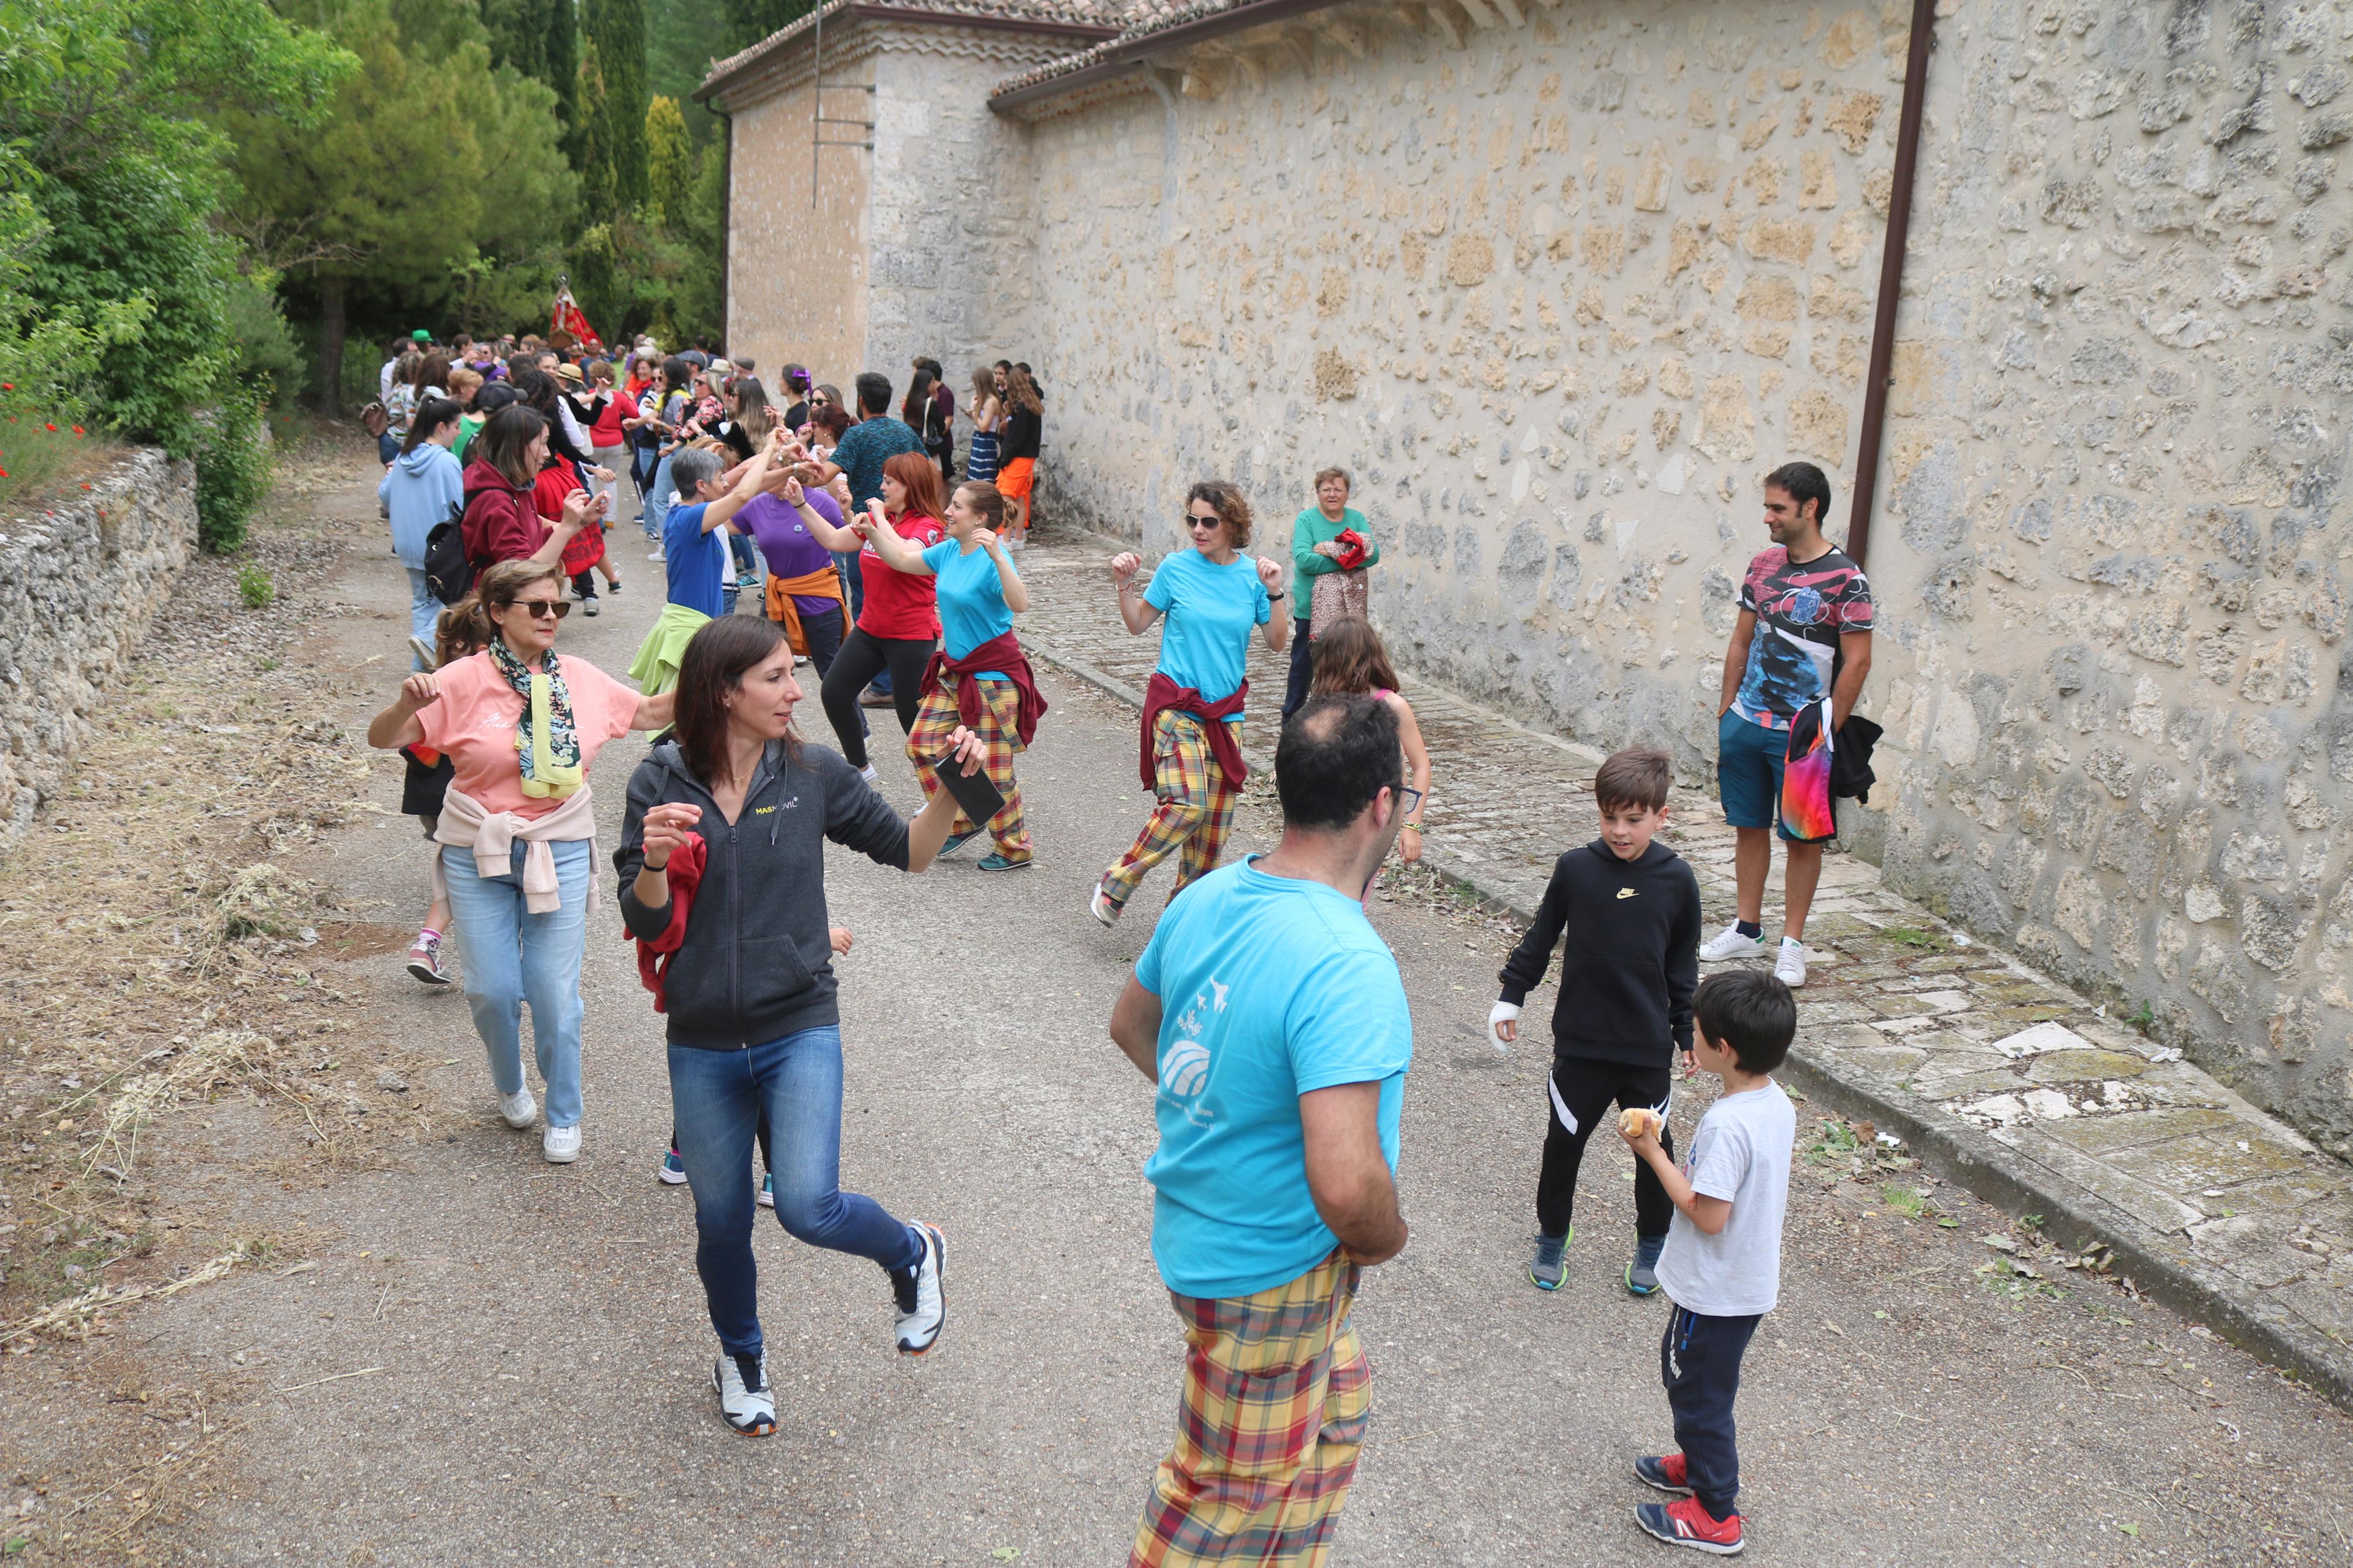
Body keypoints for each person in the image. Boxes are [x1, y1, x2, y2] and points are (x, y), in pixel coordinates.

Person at [616, 615, 995, 1432]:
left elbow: (910, 851)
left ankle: (912, 1250)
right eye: (776, 677)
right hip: (702, 1038)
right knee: (720, 1222)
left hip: (798, 1024)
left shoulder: (813, 771)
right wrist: (651, 863)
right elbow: (643, 921)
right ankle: (741, 1357)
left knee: (806, 1204)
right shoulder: (659, 780)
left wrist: (951, 790)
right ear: (724, 691)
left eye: (794, 673)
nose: (797, 690)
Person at [1107, 694, 1412, 1566]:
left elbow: (1132, 1025)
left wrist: (1226, 1109)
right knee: (1219, 1500)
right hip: (1270, 1271)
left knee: (1337, 1412)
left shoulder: (1206, 895)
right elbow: (1347, 1185)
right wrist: (1383, 1237)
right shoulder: (1346, 963)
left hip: (1209, 1235)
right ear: (1381, 806)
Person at [365, 559, 677, 1162]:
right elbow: (384, 738)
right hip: (476, 847)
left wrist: (716, 668)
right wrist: (404, 704)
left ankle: (564, 1111)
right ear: (497, 612)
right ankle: (508, 1083)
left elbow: (649, 713)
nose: (551, 616)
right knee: (491, 990)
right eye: (537, 606)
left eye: (558, 605)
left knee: (554, 993)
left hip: (558, 845)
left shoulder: (579, 678)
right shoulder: (460, 680)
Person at [1489, 747, 1702, 1296]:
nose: (1619, 830)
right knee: (1562, 1146)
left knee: (1653, 1151)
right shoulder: (1575, 868)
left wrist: (1686, 1032)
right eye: (1609, 817)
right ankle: (1551, 1235)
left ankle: (1653, 1242)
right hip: (1581, 1043)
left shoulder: (1678, 880)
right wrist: (1511, 996)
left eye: (1633, 819)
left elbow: (1682, 965)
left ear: (1661, 816)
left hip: (1645, 1047)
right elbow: (1541, 936)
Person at [1619, 969, 1797, 1556]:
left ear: (1723, 1048)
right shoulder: (1773, 1101)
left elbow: (1707, 1213)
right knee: (1696, 1382)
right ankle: (1697, 1465)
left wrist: (1652, 1152)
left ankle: (1716, 1512)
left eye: (1694, 1031)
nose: (1687, 1036)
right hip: (1741, 1280)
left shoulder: (1727, 1123)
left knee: (1697, 1397)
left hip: (1716, 1288)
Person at [1703, 461, 1874, 989]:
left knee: (1803, 839)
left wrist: (1823, 730)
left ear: (1810, 508)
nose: (1768, 518)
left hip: (1802, 735)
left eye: (1777, 508)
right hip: (1745, 723)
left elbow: (1858, 661)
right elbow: (1741, 640)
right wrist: (1727, 707)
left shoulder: (1847, 579)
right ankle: (1746, 928)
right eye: (1767, 507)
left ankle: (1791, 945)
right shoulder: (1761, 565)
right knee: (1747, 825)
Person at [1095, 481, 1290, 925]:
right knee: (1188, 803)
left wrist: (1275, 590)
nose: (1198, 529)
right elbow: (1137, 624)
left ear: (1232, 524)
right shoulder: (1175, 568)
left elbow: (1277, 642)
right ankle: (1116, 882)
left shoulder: (1252, 577)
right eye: (1192, 520)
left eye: (1209, 522)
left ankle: (1180, 925)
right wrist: (1124, 586)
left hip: (1226, 716)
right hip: (1177, 706)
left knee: (1211, 835)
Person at [858, 478, 1041, 870]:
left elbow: (1020, 603)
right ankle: (960, 820)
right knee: (922, 745)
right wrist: (873, 529)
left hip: (994, 679)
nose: (947, 512)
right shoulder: (949, 550)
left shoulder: (993, 558)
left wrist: (999, 557)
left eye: (957, 506)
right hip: (955, 673)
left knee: (995, 770)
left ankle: (1015, 847)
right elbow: (901, 560)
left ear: (980, 518)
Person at [811, 451, 947, 779]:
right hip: (871, 630)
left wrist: (876, 521)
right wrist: (801, 505)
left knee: (912, 718)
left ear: (910, 486)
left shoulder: (929, 526)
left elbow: (906, 554)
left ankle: (945, 790)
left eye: (889, 481)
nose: (882, 487)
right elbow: (833, 539)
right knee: (835, 692)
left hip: (910, 636)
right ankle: (860, 769)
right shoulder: (883, 518)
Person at [399, 605, 491, 984]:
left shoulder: (432, 683)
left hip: (431, 800)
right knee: (478, 875)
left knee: (464, 871)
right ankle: (433, 946)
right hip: (467, 801)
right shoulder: (481, 687)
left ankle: (428, 946)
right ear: (486, 650)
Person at [1306, 618, 1428, 893]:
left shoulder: (1392, 705)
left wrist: (1412, 825)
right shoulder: (1326, 704)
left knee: (1351, 891)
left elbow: (1421, 766)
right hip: (1329, 816)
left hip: (1374, 819)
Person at [812, 371, 925, 627]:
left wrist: (791, 471)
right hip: (906, 525)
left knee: (863, 597)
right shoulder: (906, 432)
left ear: (861, 401)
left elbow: (823, 476)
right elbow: (928, 472)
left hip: (864, 526)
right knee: (902, 590)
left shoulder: (856, 435)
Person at [1285, 468, 1382, 721]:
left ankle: (1346, 719)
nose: (1332, 494)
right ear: (1318, 493)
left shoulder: (1356, 518)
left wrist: (1330, 550)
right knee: (1304, 667)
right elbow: (1304, 561)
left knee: (1350, 667)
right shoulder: (1307, 520)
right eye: (1326, 489)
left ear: (1347, 493)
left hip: (1349, 613)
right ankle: (1292, 719)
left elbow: (1372, 555)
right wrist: (1350, 557)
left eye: (1338, 489)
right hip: (1311, 610)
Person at [381, 396, 467, 665]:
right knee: (448, 601)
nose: (459, 432)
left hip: (407, 544)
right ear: (442, 427)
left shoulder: (403, 457)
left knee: (422, 601)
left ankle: (421, 665)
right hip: (439, 546)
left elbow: (385, 496)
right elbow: (459, 505)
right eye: (456, 426)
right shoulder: (447, 462)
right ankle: (426, 649)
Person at [460, 406, 598, 573]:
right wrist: (566, 528)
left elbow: (535, 539)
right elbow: (520, 573)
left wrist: (583, 519)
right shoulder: (496, 501)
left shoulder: (515, 487)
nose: (548, 453)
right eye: (543, 444)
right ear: (517, 448)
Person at [995, 366, 1043, 547]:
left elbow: (1017, 437)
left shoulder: (1022, 407)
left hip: (1018, 457)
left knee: (1007, 497)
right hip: (1026, 457)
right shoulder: (1028, 405)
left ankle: (1007, 539)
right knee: (1020, 498)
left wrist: (1005, 459)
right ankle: (1018, 538)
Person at [961, 366, 1001, 485]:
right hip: (978, 441)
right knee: (975, 477)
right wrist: (973, 412)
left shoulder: (991, 402)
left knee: (983, 478)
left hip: (986, 442)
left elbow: (984, 427)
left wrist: (974, 410)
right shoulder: (982, 399)